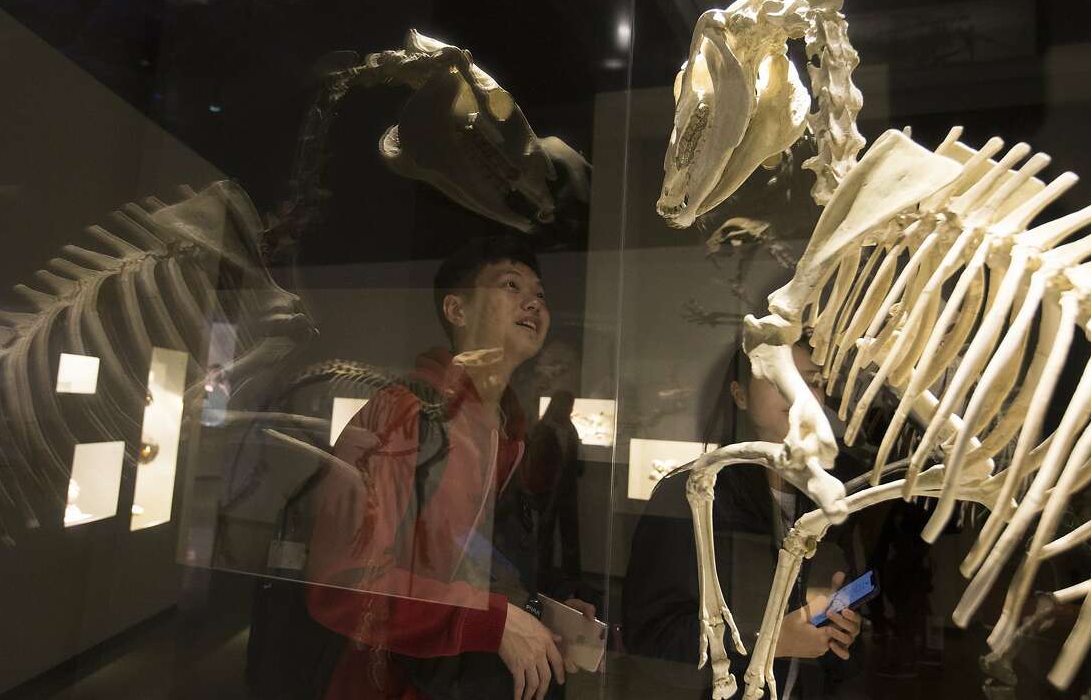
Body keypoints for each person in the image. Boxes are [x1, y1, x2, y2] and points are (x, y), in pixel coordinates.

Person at [305, 236, 595, 700]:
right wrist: (490, 621)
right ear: (457, 311)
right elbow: (344, 583)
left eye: (539, 293)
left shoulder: (510, 431)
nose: (533, 302)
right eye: (510, 284)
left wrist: (539, 604)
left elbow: (476, 556)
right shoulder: (404, 413)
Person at [622, 339, 863, 700]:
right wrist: (769, 640)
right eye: (779, 377)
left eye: (813, 380)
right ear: (740, 394)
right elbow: (650, 635)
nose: (801, 393)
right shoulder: (689, 495)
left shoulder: (826, 497)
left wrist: (839, 629)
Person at [523, 389, 584, 593]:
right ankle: (543, 578)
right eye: (567, 405)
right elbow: (538, 463)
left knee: (569, 535)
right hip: (547, 491)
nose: (569, 409)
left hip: (565, 490)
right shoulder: (544, 430)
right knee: (545, 536)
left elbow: (574, 460)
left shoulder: (568, 428)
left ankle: (570, 579)